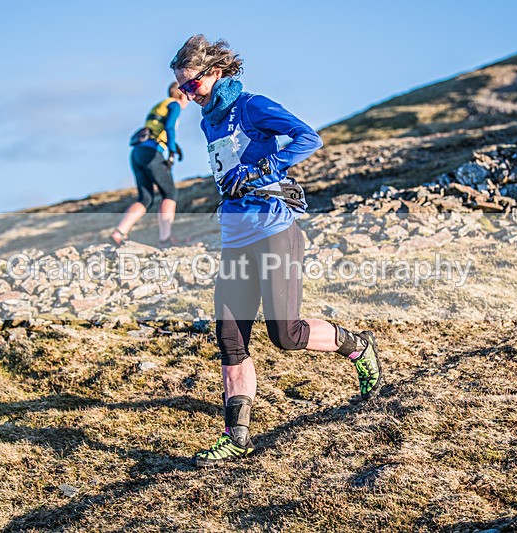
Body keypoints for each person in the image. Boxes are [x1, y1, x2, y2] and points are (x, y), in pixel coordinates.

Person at [170, 35, 383, 467]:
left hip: (274, 232)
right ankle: (237, 437)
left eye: (191, 85)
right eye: (180, 88)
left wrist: (262, 168)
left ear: (215, 73)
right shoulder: (209, 120)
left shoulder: (250, 105)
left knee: (286, 335)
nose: (186, 95)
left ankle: (358, 346)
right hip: (236, 239)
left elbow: (308, 138)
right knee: (230, 338)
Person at [110, 82, 188, 248]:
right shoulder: (174, 105)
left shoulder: (160, 104)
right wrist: (172, 152)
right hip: (152, 152)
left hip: (137, 152)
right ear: (182, 94)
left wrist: (175, 147)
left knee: (145, 198)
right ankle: (165, 239)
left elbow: (156, 129)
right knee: (170, 193)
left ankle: (119, 232)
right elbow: (169, 128)